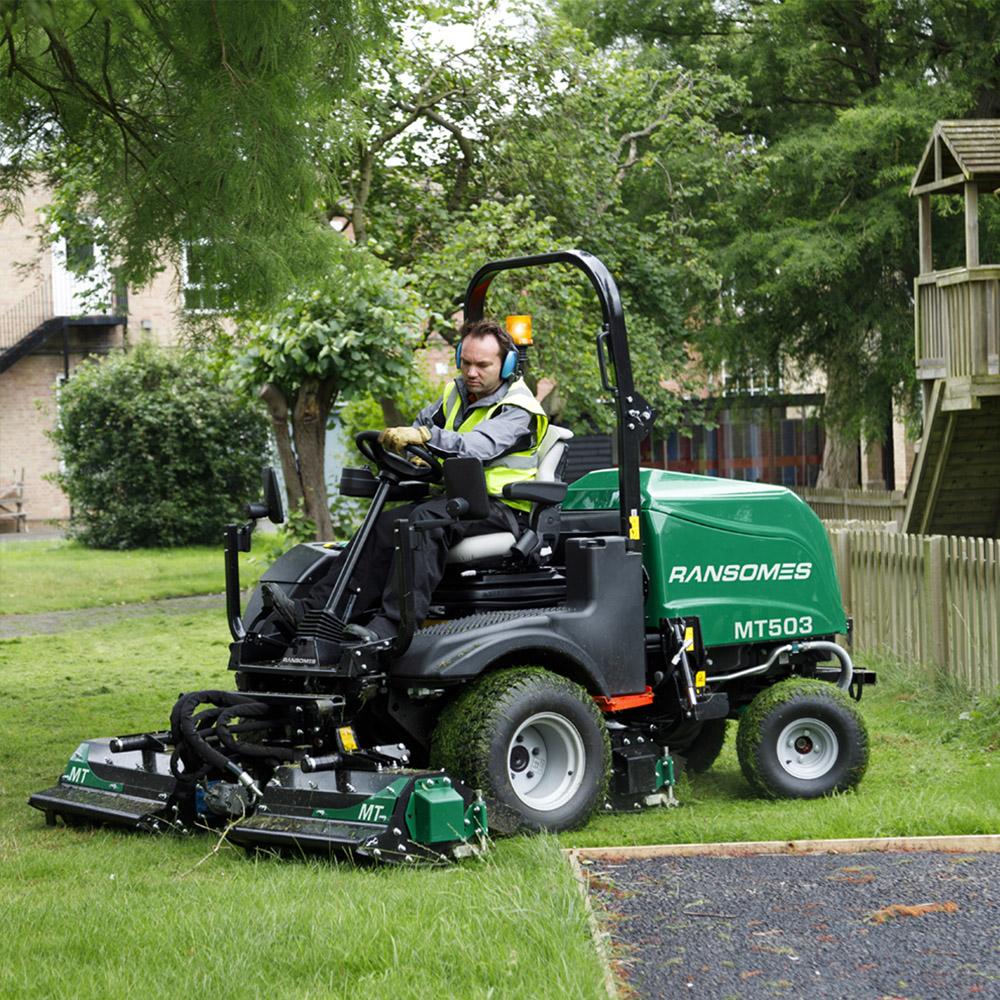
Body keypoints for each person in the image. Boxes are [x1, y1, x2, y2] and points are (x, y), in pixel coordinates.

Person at [262, 317, 548, 645]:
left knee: (420, 523)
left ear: (507, 364)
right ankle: (314, 614)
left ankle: (393, 627)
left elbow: (477, 446)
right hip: (460, 503)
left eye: (482, 365)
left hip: (503, 510)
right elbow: (422, 425)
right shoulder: (457, 396)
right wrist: (411, 446)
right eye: (466, 363)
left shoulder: (518, 409)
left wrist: (425, 436)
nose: (471, 372)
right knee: (383, 525)